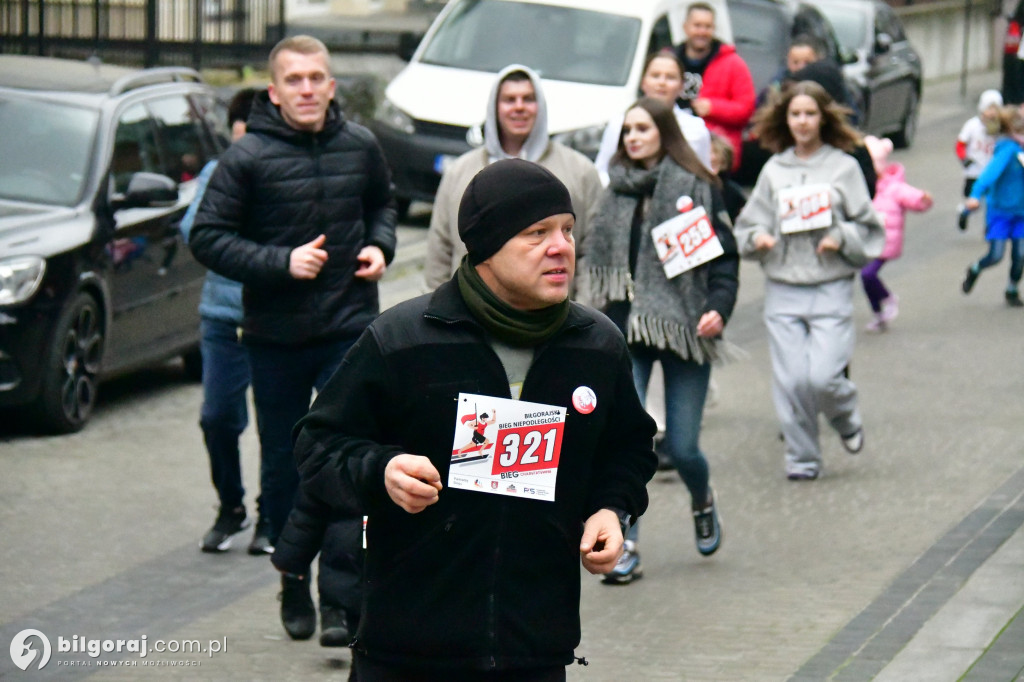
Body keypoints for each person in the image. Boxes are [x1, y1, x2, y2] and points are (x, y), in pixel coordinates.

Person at [292, 159, 658, 679]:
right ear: (486, 247)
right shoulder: (405, 339)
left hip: (533, 648)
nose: (561, 247)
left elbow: (629, 446)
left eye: (568, 230)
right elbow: (317, 442)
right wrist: (382, 470)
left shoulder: (595, 345)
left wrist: (609, 509)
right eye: (537, 233)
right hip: (407, 649)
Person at [188, 34, 396, 642]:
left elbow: (384, 205)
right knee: (284, 466)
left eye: (316, 78)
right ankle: (291, 578)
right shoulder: (245, 157)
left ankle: (340, 597)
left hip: (349, 330)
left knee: (345, 459)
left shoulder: (360, 145)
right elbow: (206, 236)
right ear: (274, 93)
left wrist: (381, 246)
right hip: (275, 336)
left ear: (331, 86)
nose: (307, 89)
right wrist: (280, 262)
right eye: (294, 81)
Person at [585, 96, 737, 584]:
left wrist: (718, 308)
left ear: (664, 132)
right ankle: (625, 542)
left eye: (642, 128)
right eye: (627, 129)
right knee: (629, 441)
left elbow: (725, 260)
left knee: (685, 446)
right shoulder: (615, 192)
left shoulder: (698, 186)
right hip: (626, 329)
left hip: (685, 326)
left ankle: (702, 497)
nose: (632, 137)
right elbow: (594, 255)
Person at [734, 81, 884, 481]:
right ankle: (802, 459)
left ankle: (846, 417)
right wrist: (759, 239)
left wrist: (840, 237)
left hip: (830, 286)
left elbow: (870, 229)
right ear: (786, 119)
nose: (802, 121)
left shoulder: (844, 167)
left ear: (823, 118)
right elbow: (746, 227)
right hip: (783, 286)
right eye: (795, 114)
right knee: (792, 380)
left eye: (810, 114)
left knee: (822, 376)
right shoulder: (774, 170)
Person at [423, 64, 602, 291]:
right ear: (494, 108)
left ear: (541, 106)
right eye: (510, 99)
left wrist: (583, 314)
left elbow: (594, 250)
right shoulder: (460, 172)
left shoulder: (580, 172)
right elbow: (440, 249)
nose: (519, 107)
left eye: (528, 99)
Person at [179, 87, 260, 554]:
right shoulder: (217, 172)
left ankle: (275, 513)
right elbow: (194, 229)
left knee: (281, 423)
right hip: (223, 317)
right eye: (240, 129)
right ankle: (231, 506)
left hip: (275, 318)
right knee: (217, 417)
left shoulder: (282, 171)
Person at [595, 51, 713, 185]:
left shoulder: (695, 128)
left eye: (670, 77)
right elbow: (602, 170)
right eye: (655, 76)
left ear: (681, 85)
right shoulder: (620, 123)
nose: (662, 83)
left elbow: (704, 175)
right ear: (643, 82)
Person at [860, 135, 933, 332]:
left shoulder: (893, 186)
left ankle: (888, 298)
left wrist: (923, 199)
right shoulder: (861, 185)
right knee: (865, 279)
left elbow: (911, 197)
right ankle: (878, 315)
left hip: (885, 241)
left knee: (867, 274)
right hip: (866, 240)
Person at [673, 1, 756, 172]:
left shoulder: (733, 64)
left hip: (714, 155)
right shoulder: (670, 59)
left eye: (708, 26)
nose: (702, 32)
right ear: (685, 27)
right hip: (674, 146)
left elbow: (747, 109)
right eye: (697, 25)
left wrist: (713, 108)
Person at [960, 105, 1024, 307]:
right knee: (996, 255)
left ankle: (1012, 289)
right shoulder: (1008, 150)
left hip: (1021, 212)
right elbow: (989, 174)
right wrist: (975, 195)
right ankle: (975, 269)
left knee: (1020, 255)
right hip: (1001, 211)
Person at [955, 89, 1002, 231]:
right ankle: (964, 211)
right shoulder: (972, 125)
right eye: (989, 108)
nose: (992, 113)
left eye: (995, 109)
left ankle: (989, 226)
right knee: (975, 201)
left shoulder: (1000, 128)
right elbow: (960, 144)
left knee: (991, 201)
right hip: (974, 170)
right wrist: (964, 158)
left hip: (992, 171)